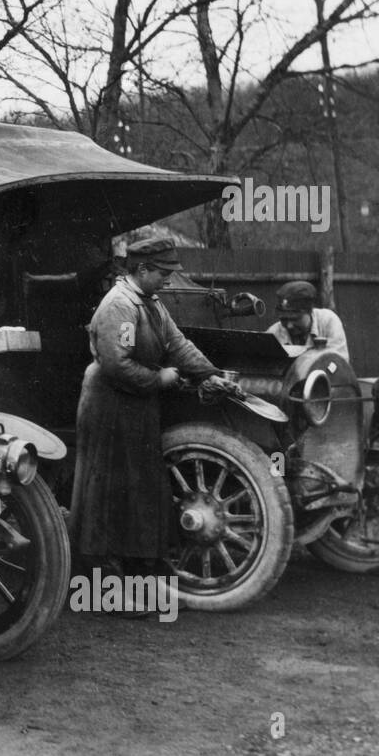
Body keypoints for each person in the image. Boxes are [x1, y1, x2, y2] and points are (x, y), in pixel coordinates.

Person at [70, 238, 236, 569]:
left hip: (136, 403)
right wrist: (159, 380)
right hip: (109, 404)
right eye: (163, 272)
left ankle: (138, 571)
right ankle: (102, 582)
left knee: (140, 489)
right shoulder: (120, 305)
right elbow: (116, 364)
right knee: (106, 494)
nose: (169, 279)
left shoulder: (151, 302)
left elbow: (178, 344)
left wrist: (210, 374)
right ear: (142, 269)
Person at [265, 280, 351, 360]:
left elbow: (339, 364)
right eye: (284, 319)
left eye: (295, 319)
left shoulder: (328, 322)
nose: (289, 325)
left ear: (310, 311)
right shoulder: (273, 334)